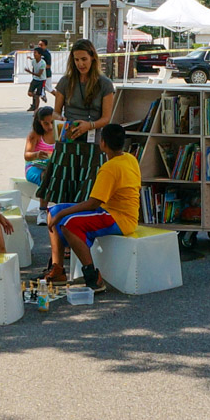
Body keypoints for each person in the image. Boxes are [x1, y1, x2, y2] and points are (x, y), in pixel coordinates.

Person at [44, 123, 140, 293]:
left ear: (102, 143)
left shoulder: (110, 168)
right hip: (110, 211)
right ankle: (58, 269)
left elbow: (93, 203)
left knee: (68, 223)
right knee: (53, 212)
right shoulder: (130, 158)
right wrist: (60, 213)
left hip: (119, 218)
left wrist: (65, 213)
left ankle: (92, 276)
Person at [37, 38, 115, 208]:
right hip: (68, 138)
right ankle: (56, 217)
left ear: (93, 58)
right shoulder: (66, 81)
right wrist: (60, 119)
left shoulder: (105, 84)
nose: (80, 64)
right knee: (64, 187)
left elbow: (107, 118)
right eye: (77, 59)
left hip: (93, 142)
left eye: (84, 59)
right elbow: (56, 111)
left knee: (89, 190)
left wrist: (90, 125)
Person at [25, 106, 56, 226]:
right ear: (40, 122)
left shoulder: (59, 132)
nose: (50, 127)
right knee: (46, 176)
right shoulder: (35, 135)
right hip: (35, 167)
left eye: (52, 123)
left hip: (53, 165)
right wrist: (37, 154)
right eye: (46, 124)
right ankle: (42, 211)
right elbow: (27, 155)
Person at [26, 47, 47, 112]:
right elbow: (34, 68)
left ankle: (36, 109)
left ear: (40, 54)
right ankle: (37, 94)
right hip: (35, 79)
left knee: (37, 96)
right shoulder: (33, 61)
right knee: (29, 93)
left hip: (41, 80)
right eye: (33, 53)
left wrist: (30, 72)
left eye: (35, 53)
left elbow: (39, 74)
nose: (34, 54)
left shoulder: (43, 63)